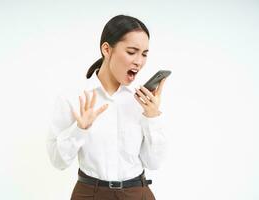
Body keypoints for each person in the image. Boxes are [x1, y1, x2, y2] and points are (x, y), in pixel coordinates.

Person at [46, 14, 168, 200]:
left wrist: (152, 117)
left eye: (144, 54)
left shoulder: (142, 101)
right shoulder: (73, 98)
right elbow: (58, 162)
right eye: (131, 51)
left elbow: (154, 163)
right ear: (106, 49)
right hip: (90, 194)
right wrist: (80, 129)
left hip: (137, 193)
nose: (139, 61)